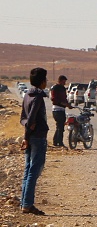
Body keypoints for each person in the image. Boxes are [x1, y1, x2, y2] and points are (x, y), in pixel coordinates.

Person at [20, 67, 49, 215]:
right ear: (43, 82)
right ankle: (27, 204)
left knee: (27, 170)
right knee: (33, 171)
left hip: (31, 137)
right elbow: (30, 119)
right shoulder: (38, 97)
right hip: (37, 137)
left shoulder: (27, 95)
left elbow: (23, 119)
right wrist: (27, 134)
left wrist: (26, 136)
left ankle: (24, 202)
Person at [50, 75, 72, 147]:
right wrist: (63, 103)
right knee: (60, 127)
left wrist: (68, 104)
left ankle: (56, 141)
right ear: (59, 81)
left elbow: (64, 98)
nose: (64, 83)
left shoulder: (62, 88)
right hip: (56, 109)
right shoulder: (55, 88)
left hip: (62, 109)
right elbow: (54, 99)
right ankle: (60, 143)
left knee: (60, 126)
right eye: (63, 81)